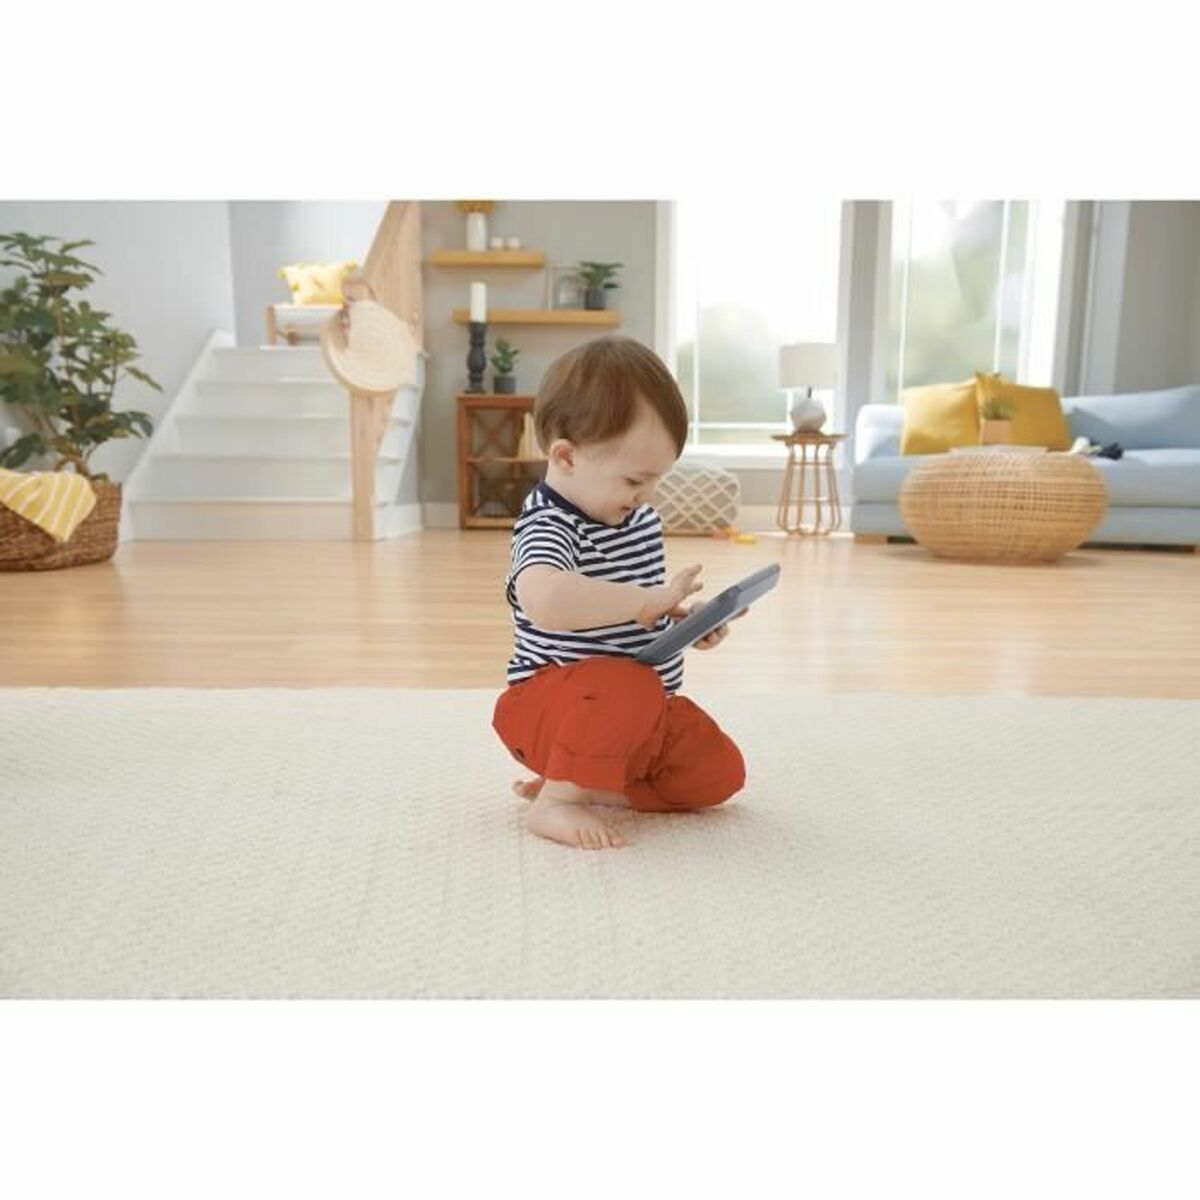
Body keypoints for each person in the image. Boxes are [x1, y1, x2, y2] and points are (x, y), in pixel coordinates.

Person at [491, 335, 747, 850]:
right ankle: (556, 801)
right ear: (566, 456)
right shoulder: (549, 525)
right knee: (627, 685)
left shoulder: (638, 520)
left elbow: (639, 613)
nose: (646, 495)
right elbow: (546, 600)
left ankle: (589, 782)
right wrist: (643, 601)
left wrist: (682, 622)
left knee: (720, 772)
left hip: (638, 715)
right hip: (552, 709)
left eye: (656, 480)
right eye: (634, 480)